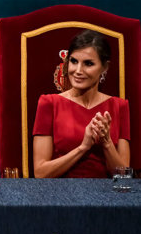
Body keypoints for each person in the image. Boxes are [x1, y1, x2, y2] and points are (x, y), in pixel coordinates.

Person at [33, 29, 131, 178]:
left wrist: (106, 143)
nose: (78, 70)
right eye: (73, 61)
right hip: (61, 191)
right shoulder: (49, 103)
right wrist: (83, 148)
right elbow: (41, 173)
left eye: (88, 64)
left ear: (105, 67)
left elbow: (124, 177)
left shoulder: (119, 106)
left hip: (106, 192)